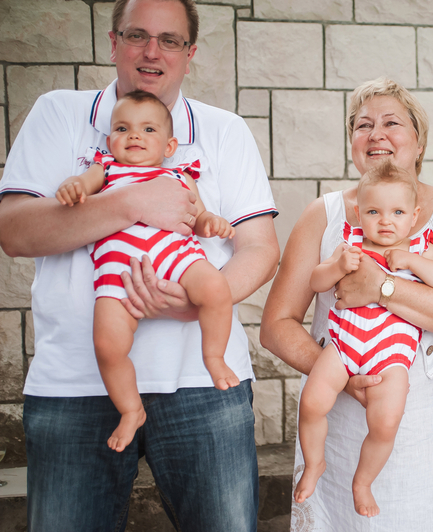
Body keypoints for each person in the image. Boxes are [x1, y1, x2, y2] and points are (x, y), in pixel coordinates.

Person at [0, 0, 280, 530]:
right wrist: (133, 202)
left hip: (204, 385)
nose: (152, 51)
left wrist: (197, 301)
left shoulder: (224, 130)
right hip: (76, 383)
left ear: (189, 53)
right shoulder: (59, 113)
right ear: (113, 43)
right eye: (137, 35)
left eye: (169, 40)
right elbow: (13, 231)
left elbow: (261, 248)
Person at [261, 77, 433, 531]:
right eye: (363, 125)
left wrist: (382, 286)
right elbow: (276, 324)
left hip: (429, 431)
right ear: (352, 143)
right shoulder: (324, 214)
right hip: (343, 421)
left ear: (419, 142)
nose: (376, 134)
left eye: (392, 123)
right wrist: (340, 375)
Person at [56, 90, 241, 452]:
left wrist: (210, 222)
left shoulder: (180, 175)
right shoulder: (105, 169)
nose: (134, 136)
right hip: (118, 270)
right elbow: (82, 187)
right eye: (122, 128)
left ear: (170, 146)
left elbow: (198, 215)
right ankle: (131, 409)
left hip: (176, 256)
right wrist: (73, 186)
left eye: (148, 129)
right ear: (110, 140)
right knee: (107, 345)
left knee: (217, 288)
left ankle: (214, 357)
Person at [295, 162, 433, 517]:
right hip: (343, 345)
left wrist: (412, 261)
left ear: (414, 216)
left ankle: (363, 482)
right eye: (373, 212)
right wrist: (337, 267)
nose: (386, 221)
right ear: (358, 213)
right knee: (312, 403)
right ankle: (314, 463)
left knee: (385, 423)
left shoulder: (421, 247)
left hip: (391, 354)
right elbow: (316, 282)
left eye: (397, 212)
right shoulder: (348, 245)